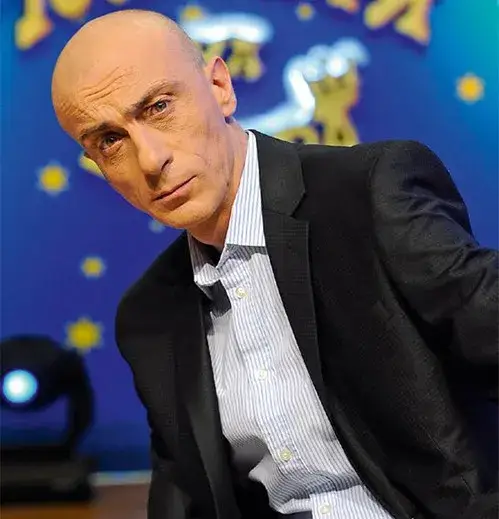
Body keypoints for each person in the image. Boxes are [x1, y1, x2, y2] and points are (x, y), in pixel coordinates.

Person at [51, 9, 498, 519]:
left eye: (159, 107)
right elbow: (184, 498)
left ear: (220, 87)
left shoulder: (368, 195)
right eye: (110, 141)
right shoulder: (148, 316)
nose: (150, 160)